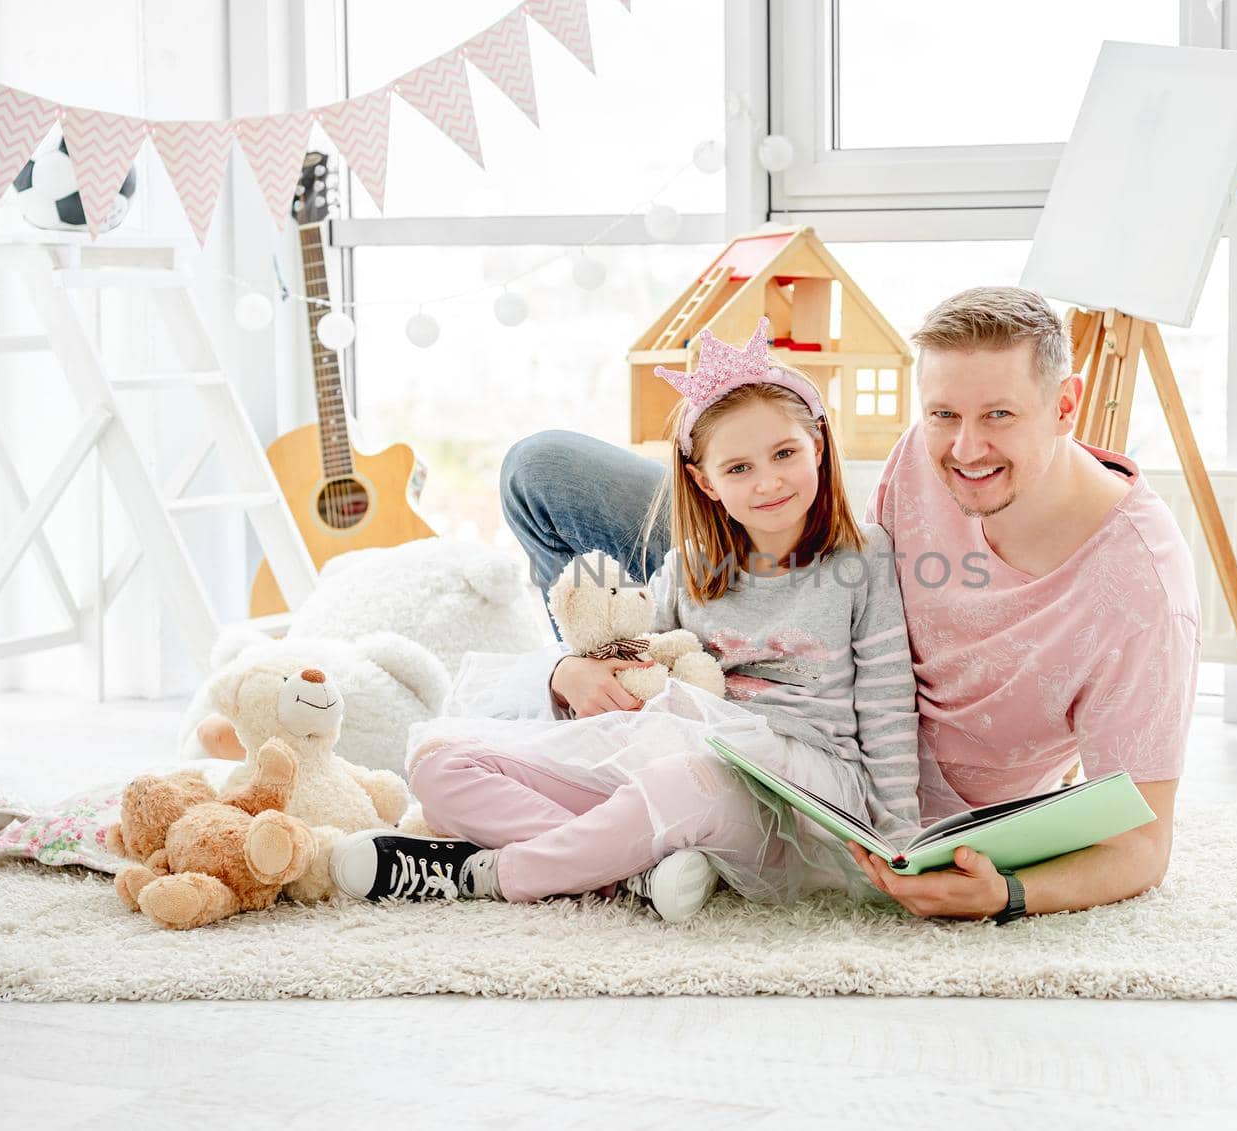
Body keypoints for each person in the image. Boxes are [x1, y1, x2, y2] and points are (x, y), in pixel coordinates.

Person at [494, 286, 1199, 924]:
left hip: (856, 791)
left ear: (1066, 406)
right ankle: (602, 688)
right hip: (769, 637)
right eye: (943, 414)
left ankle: (602, 805)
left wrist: (1010, 893)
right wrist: (588, 662)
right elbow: (845, 573)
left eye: (1000, 416)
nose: (965, 447)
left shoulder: (1142, 594)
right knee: (543, 468)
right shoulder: (926, 454)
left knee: (685, 772)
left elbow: (1142, 842)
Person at [330, 318, 922, 923]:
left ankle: (487, 874)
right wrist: (576, 672)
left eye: (785, 454)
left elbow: (887, 704)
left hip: (802, 792)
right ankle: (629, 872)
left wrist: (899, 842)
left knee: (682, 782)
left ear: (817, 447)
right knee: (439, 761)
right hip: (680, 756)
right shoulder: (688, 566)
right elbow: (636, 661)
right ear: (705, 482)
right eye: (738, 468)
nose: (768, 480)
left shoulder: (864, 556)